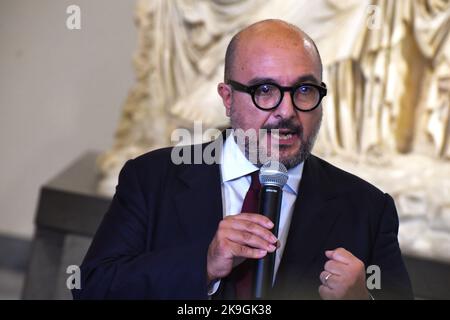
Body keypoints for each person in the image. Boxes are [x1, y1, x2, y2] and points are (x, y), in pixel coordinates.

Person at [72, 19, 413, 300]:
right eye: (265, 90)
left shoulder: (368, 208)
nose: (287, 111)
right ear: (228, 98)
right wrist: (203, 266)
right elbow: (91, 288)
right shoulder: (151, 178)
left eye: (304, 90)